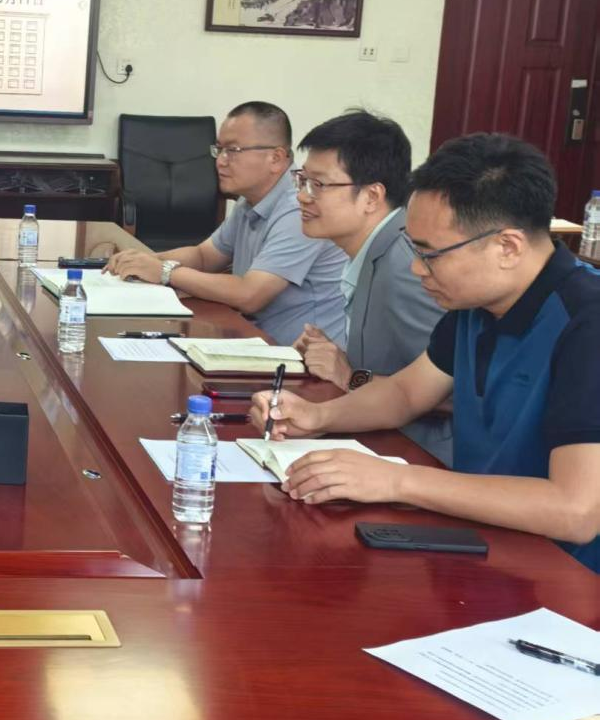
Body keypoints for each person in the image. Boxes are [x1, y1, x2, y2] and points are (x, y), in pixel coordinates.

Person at [252, 134, 600, 572]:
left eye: (431, 254)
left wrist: (397, 480)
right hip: (480, 543)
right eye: (415, 249)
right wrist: (317, 417)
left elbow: (576, 510)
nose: (417, 268)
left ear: (507, 247)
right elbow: (406, 394)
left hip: (564, 577)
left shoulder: (586, 323)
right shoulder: (476, 303)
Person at [106, 101, 347, 347]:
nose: (220, 161)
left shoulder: (299, 209)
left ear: (275, 158)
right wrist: (144, 261)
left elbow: (250, 294)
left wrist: (165, 272)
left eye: (233, 150)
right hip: (252, 337)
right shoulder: (251, 199)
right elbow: (204, 256)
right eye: (219, 149)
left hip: (298, 357)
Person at [290, 110, 451, 464]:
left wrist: (350, 375)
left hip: (423, 455)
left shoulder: (405, 265)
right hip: (380, 436)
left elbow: (455, 391)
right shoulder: (376, 249)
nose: (302, 196)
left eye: (318, 185)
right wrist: (337, 360)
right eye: (301, 180)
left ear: (372, 197)